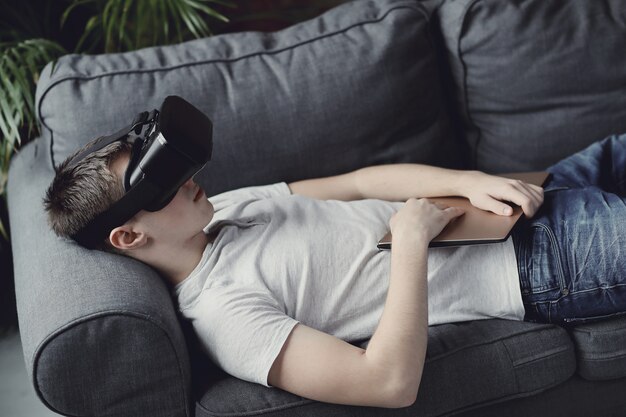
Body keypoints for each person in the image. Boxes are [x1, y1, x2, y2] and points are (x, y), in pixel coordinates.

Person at [44, 133, 626, 409]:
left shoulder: (227, 206)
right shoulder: (226, 315)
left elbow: (359, 184)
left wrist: (468, 180)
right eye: (162, 184)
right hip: (545, 263)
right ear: (129, 236)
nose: (190, 178)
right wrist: (410, 244)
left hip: (525, 194)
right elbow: (387, 384)